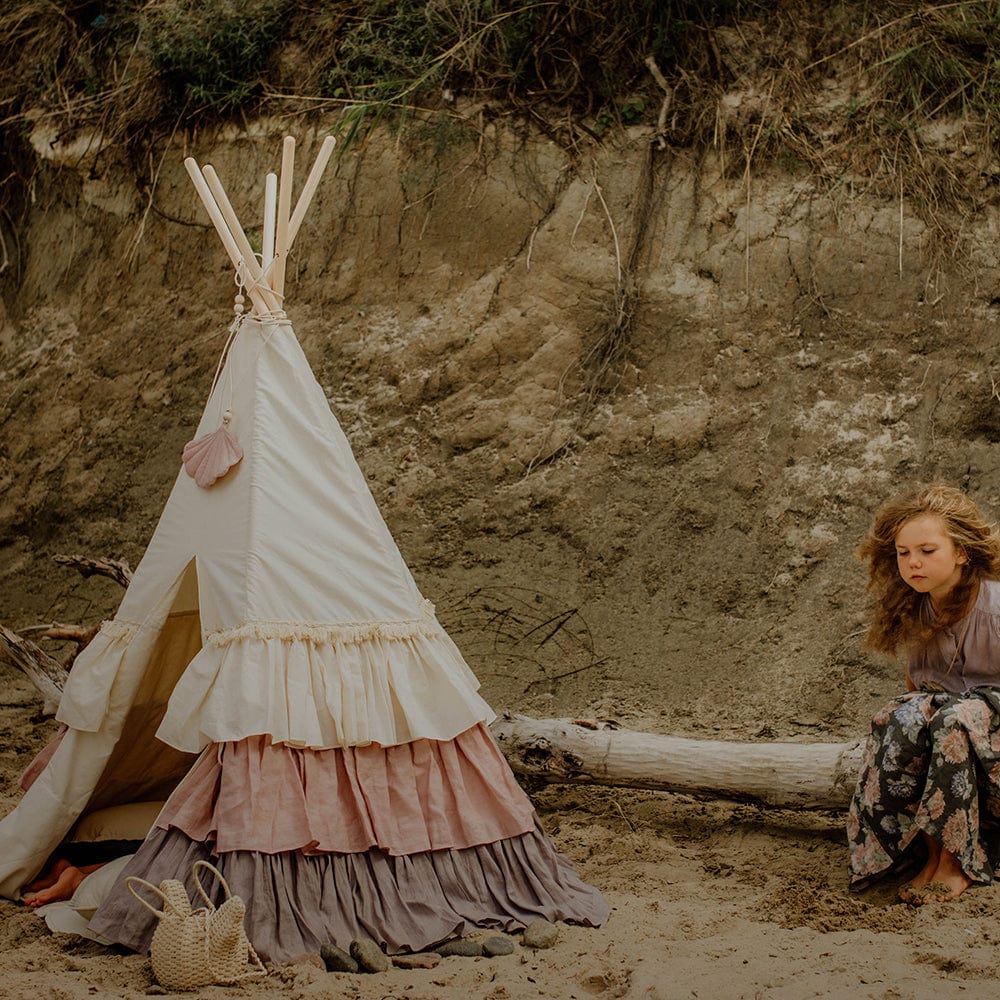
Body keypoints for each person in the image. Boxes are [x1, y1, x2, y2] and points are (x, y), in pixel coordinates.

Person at [848, 483, 1000, 905]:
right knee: (901, 716)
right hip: (955, 727)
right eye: (904, 553)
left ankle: (957, 864)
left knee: (954, 720)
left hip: (991, 733)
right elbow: (917, 688)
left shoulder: (995, 608)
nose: (913, 562)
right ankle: (928, 857)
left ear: (962, 552)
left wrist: (971, 714)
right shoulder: (915, 610)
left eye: (927, 551)